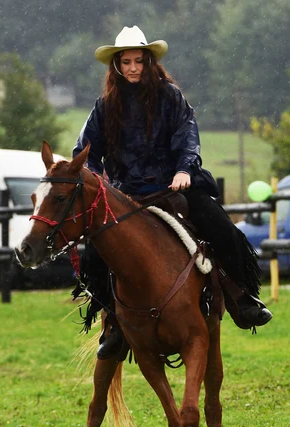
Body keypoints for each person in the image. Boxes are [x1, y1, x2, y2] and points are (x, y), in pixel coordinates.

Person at [72, 26, 272, 359]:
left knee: (222, 228)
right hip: (126, 196)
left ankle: (242, 298)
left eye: (139, 60)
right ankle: (114, 327)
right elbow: (86, 150)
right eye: (126, 62)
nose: (133, 67)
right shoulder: (105, 105)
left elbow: (187, 137)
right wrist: (98, 179)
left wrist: (183, 170)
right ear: (116, 66)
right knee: (93, 254)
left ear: (149, 62)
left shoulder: (170, 96)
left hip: (172, 186)